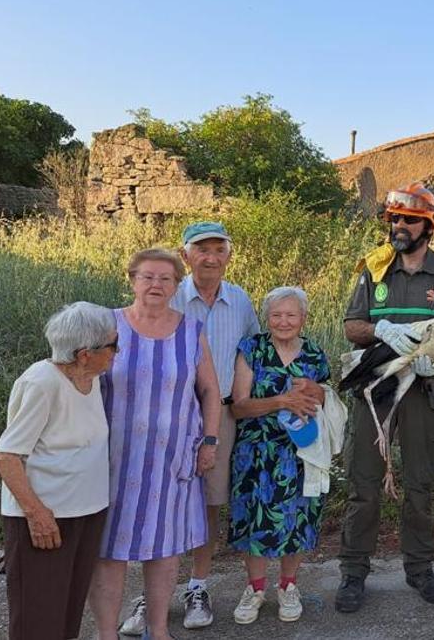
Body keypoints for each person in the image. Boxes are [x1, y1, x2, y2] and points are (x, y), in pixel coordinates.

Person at [117, 221, 266, 634]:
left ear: (229, 256)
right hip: (167, 415)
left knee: (209, 501)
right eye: (202, 249)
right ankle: (151, 593)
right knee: (157, 502)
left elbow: (254, 353)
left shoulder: (239, 301)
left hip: (221, 414)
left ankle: (197, 585)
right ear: (186, 256)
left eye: (219, 249)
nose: (211, 257)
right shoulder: (169, 293)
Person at [336, 182, 434, 613]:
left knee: (420, 484)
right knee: (364, 482)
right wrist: (383, 330)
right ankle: (354, 573)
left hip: (426, 388)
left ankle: (420, 569)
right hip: (378, 388)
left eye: (409, 219)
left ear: (428, 226)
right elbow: (352, 325)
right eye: (394, 218)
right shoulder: (373, 270)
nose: (399, 225)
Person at [89, 248, 222, 640]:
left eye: (166, 279)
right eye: (147, 277)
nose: (156, 285)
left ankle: (159, 630)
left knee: (164, 549)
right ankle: (106, 633)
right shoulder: (108, 325)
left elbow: (210, 390)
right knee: (108, 550)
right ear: (132, 280)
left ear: (176, 286)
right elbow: (81, 381)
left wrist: (209, 441)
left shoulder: (191, 329)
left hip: (173, 458)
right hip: (113, 459)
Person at [0, 302, 118, 640]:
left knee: (66, 612)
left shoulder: (91, 378)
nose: (116, 352)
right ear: (83, 353)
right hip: (46, 519)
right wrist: (36, 514)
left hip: (86, 512)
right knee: (38, 618)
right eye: (112, 345)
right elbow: (7, 455)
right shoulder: (41, 383)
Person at [226, 286, 330, 624]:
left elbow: (327, 400)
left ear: (303, 319)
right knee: (255, 518)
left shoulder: (314, 355)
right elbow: (239, 407)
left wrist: (316, 393)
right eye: (276, 315)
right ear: (266, 318)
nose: (283, 321)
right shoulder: (252, 349)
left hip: (300, 451)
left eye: (291, 315)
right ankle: (255, 588)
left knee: (297, 518)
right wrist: (281, 402)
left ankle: (288, 586)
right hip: (256, 450)